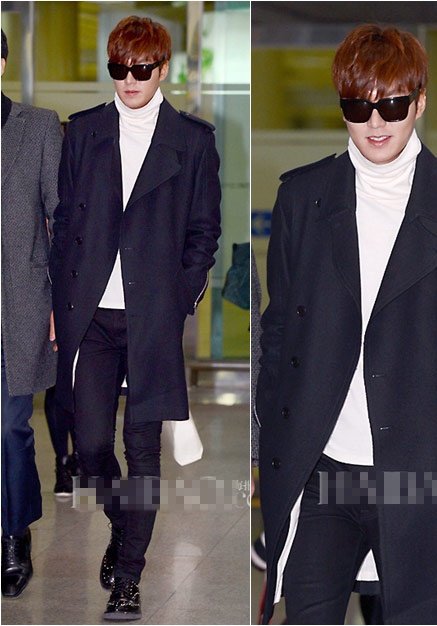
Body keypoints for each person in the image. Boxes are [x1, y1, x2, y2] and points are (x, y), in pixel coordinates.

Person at [255, 24, 437, 625]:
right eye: (357, 105)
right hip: (322, 467)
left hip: (417, 468)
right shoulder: (303, 198)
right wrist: (277, 430)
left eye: (390, 105)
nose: (374, 122)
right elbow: (279, 327)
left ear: (419, 101)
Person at [49, 16, 221, 620]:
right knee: (91, 446)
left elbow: (204, 233)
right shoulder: (85, 131)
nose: (129, 80)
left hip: (151, 319)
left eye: (141, 69)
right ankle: (124, 524)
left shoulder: (192, 141)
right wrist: (57, 305)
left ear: (163, 68)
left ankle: (128, 579)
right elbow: (64, 222)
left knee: (142, 450)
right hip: (92, 316)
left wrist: (178, 299)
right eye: (118, 68)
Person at [1, 29, 62, 597]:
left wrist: (59, 301)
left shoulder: (38, 127)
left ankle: (13, 535)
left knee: (8, 426)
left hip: (18, 304)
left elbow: (61, 218)